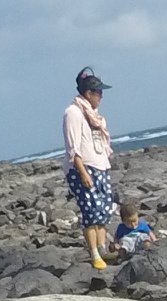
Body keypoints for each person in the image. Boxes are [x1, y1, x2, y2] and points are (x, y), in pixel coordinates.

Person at [63, 67, 116, 271]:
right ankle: (94, 253)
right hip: (84, 168)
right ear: (88, 93)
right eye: (99, 93)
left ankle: (102, 249)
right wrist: (82, 172)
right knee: (90, 212)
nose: (101, 97)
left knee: (103, 210)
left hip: (100, 166)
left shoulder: (93, 115)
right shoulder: (73, 113)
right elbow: (73, 147)